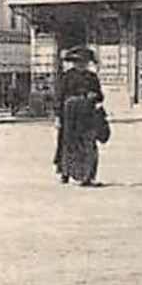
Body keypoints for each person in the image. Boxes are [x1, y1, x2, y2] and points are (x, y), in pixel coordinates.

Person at [54, 47, 106, 185]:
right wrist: (58, 117)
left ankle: (87, 176)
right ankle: (66, 172)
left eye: (84, 62)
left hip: (88, 115)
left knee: (89, 145)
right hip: (70, 116)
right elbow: (59, 97)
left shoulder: (92, 77)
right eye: (78, 62)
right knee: (68, 144)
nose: (81, 65)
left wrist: (94, 96)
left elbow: (100, 96)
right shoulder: (67, 77)